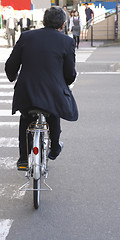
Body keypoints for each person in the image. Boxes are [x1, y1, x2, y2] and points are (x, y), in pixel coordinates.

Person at [5, 7, 78, 170]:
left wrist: (13, 77)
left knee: (25, 119)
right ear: (63, 24)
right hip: (52, 94)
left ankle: (23, 159)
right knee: (54, 113)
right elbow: (69, 73)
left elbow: (11, 65)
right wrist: (65, 82)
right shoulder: (67, 41)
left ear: (43, 21)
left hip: (26, 92)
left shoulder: (26, 36)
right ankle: (55, 149)